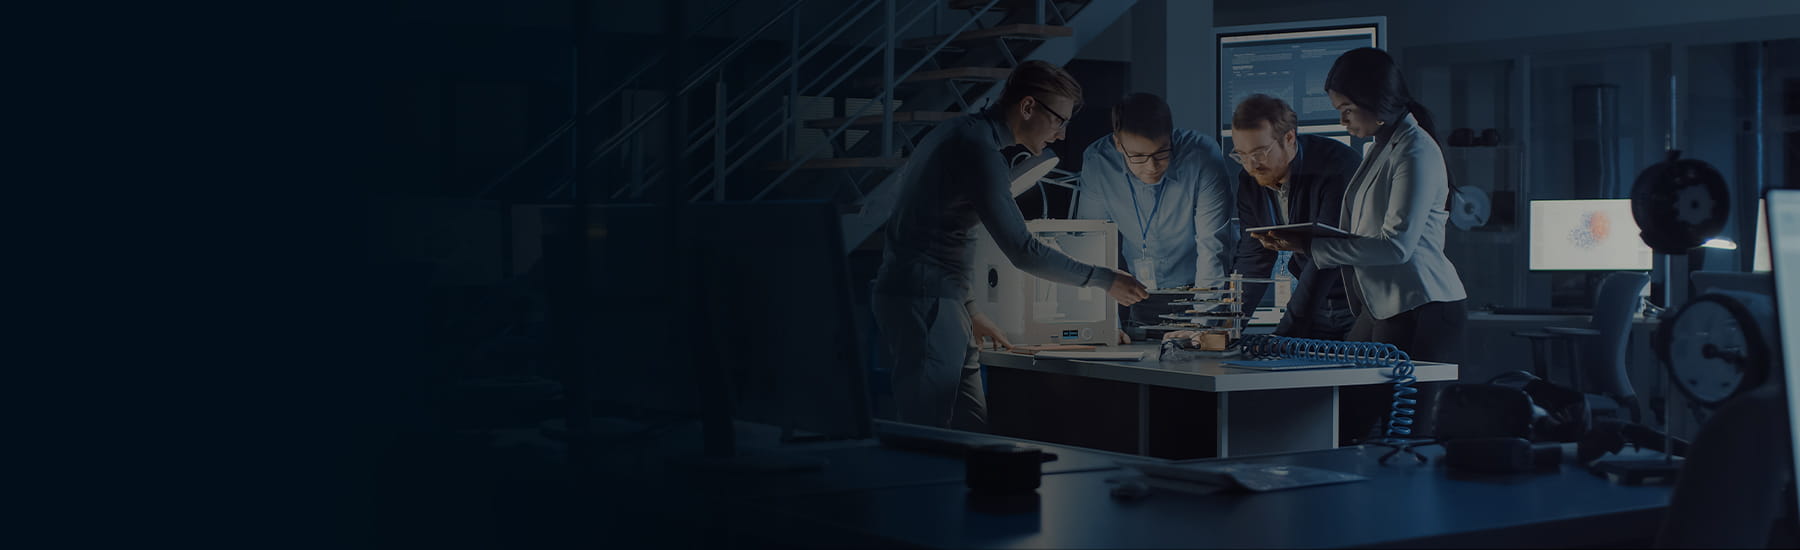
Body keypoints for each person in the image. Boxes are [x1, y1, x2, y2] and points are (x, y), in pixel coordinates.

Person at [872, 60, 1149, 431]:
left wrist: (969, 308)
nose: (1062, 135)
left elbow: (944, 230)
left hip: (941, 299)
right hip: (925, 301)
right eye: (1058, 121)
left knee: (973, 429)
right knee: (927, 435)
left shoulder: (963, 133)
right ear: (1028, 106)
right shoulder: (978, 150)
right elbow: (1023, 250)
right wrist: (1105, 279)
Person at [1254, 47, 1468, 444]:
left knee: (1404, 438)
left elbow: (1397, 247)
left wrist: (1315, 248)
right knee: (1345, 421)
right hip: (1384, 303)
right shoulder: (1383, 146)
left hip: (1425, 306)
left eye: (1348, 109)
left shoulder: (1415, 149)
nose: (1342, 119)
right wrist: (1304, 241)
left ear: (1376, 100)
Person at [1075, 93, 1234, 330]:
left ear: (1170, 136)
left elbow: (1213, 246)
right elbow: (1090, 245)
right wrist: (1105, 324)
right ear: (1118, 143)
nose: (1152, 167)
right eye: (1138, 157)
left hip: (1202, 287)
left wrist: (1202, 326)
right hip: (1139, 293)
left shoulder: (1202, 156)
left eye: (1161, 152)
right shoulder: (1098, 161)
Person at [1229, 94, 1362, 340]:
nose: (1250, 165)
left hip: (1357, 304)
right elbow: (1253, 256)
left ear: (1289, 138)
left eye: (1260, 152)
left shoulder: (1338, 166)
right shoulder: (1251, 179)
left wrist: (1283, 335)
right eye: (1241, 155)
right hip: (1313, 304)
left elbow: (1326, 259)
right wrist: (1228, 327)